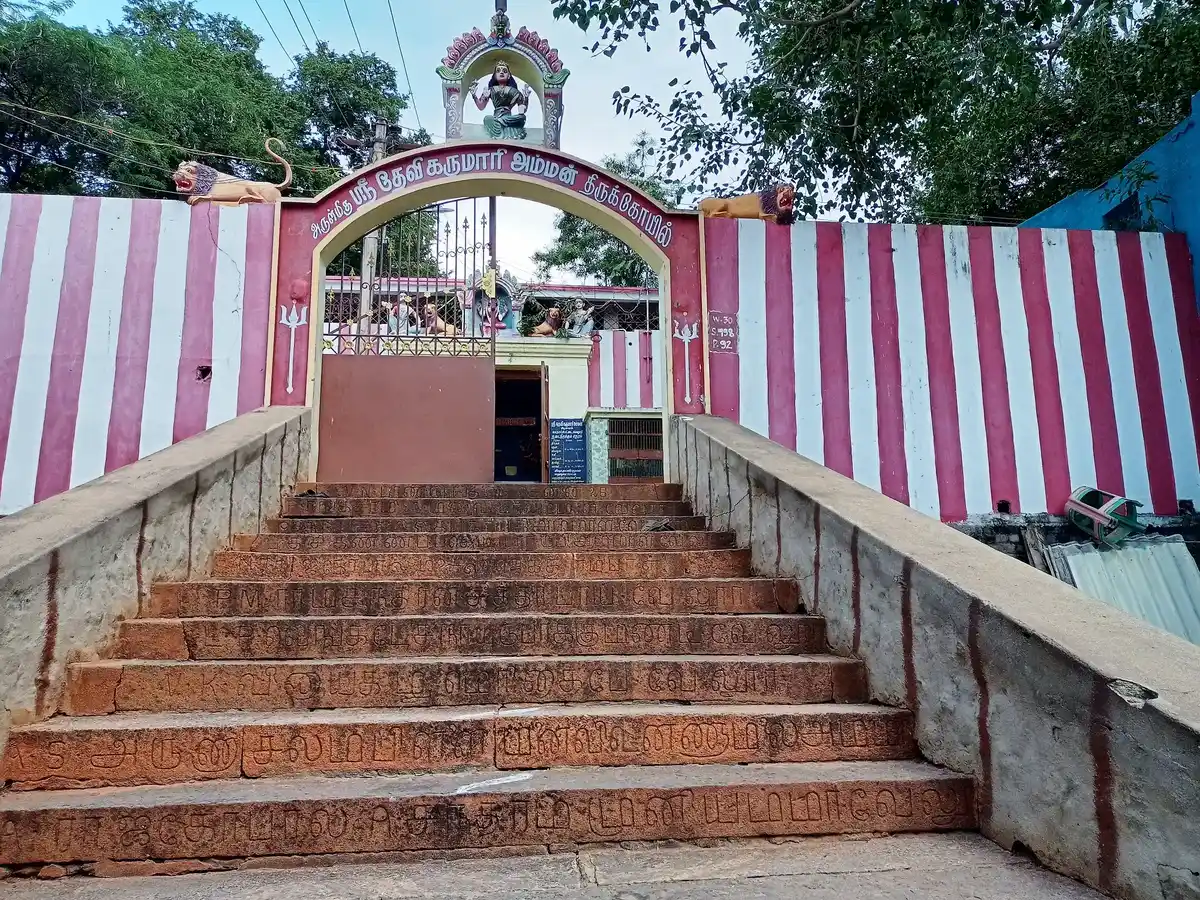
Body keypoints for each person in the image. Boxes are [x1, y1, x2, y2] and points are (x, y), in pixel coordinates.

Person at [471, 61, 532, 141]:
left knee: (522, 117)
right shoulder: (490, 90)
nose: (501, 72)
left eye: (505, 71)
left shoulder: (515, 92)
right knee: (487, 119)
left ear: (509, 75)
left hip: (509, 118)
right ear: (495, 76)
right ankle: (501, 124)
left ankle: (501, 122)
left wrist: (526, 98)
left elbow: (522, 110)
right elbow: (481, 106)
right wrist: (474, 95)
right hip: (496, 118)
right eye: (498, 71)